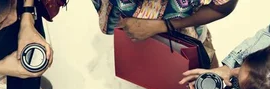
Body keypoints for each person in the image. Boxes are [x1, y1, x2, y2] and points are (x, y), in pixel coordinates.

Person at [92, 0, 238, 67]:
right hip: (124, 19)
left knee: (205, 70)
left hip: (181, 28)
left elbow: (224, 6)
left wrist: (166, 25)